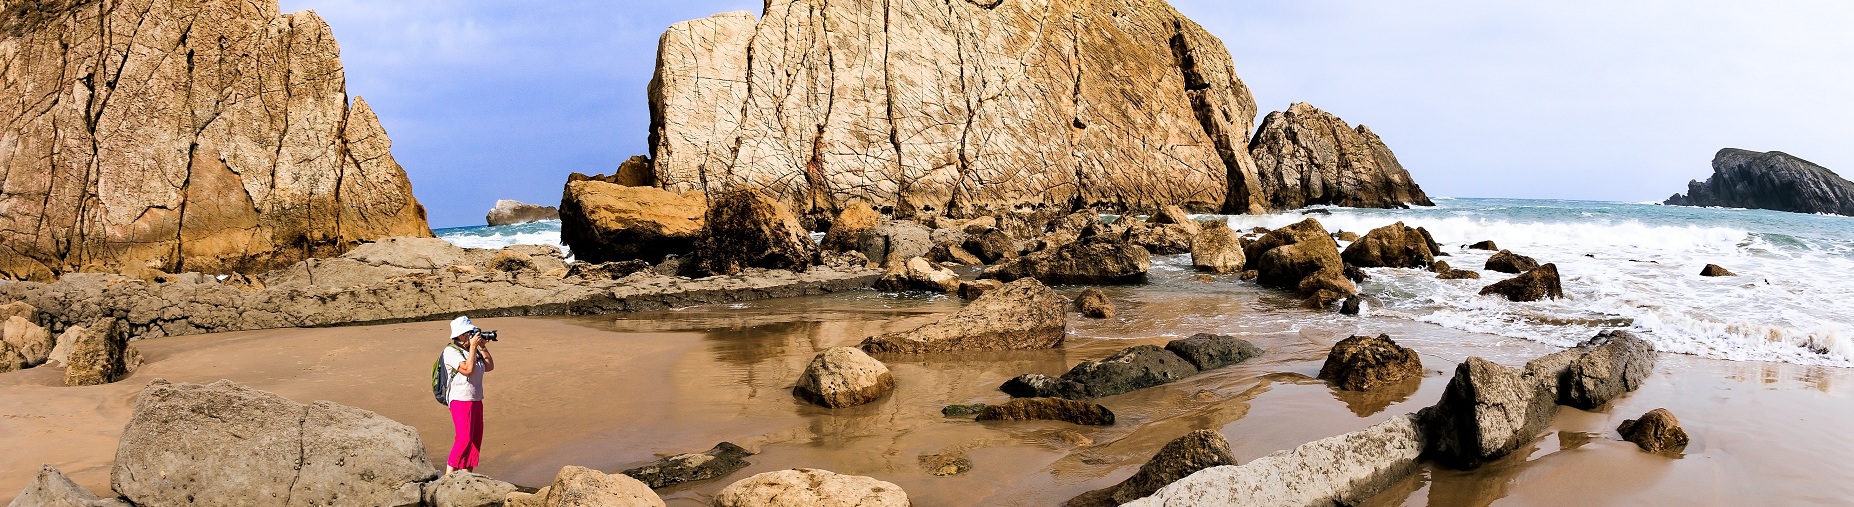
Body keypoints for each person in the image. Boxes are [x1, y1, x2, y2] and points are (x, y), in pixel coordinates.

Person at [442, 316, 495, 475]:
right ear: (459, 336)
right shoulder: (451, 351)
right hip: (460, 399)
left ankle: (466, 475)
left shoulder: (473, 351)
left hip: (476, 399)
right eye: (468, 333)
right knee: (463, 439)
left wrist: (482, 348)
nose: (472, 335)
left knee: (474, 440)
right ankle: (448, 475)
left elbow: (489, 367)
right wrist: (472, 348)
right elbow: (467, 369)